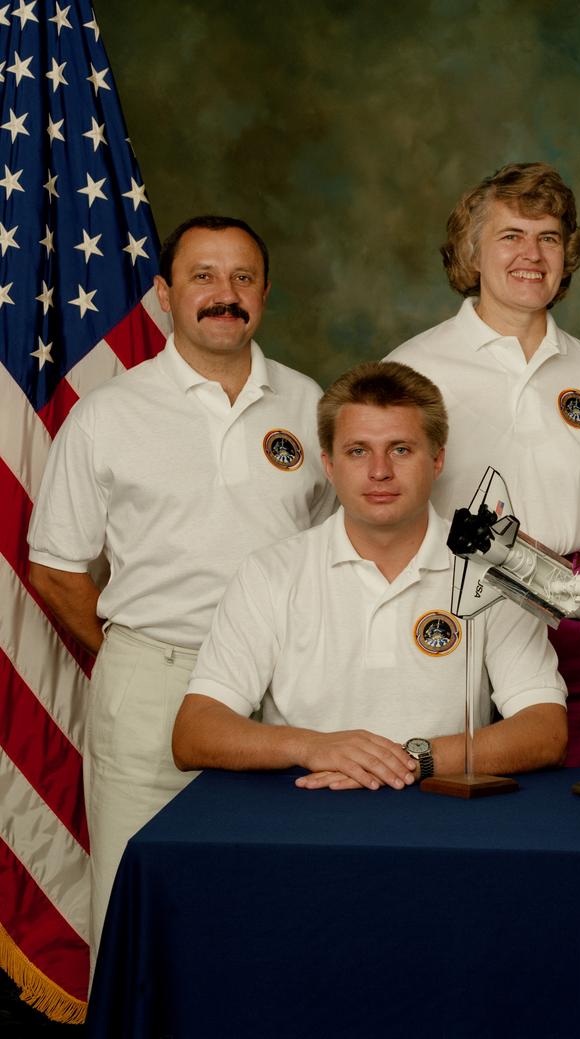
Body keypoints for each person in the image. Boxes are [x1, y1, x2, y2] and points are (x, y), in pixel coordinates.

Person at [27, 215, 335, 965]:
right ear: (164, 295)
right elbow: (55, 567)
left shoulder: (310, 405)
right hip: (154, 683)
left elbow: (334, 546)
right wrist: (130, 654)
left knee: (270, 904)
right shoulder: (108, 413)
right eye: (203, 276)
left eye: (242, 278)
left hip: (284, 686)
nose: (224, 294)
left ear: (264, 292)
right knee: (137, 909)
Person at [171, 362, 567, 788]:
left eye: (401, 449)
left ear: (437, 460)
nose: (380, 471)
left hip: (442, 804)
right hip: (303, 807)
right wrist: (311, 747)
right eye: (358, 451)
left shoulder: (489, 572)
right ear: (328, 464)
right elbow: (195, 732)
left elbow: (545, 730)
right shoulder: (271, 573)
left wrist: (412, 760)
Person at [386, 163, 580, 767]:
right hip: (452, 600)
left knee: (578, 797)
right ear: (473, 252)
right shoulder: (413, 369)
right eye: (511, 236)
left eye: (549, 238)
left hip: (574, 603)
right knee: (456, 777)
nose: (532, 254)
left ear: (567, 255)